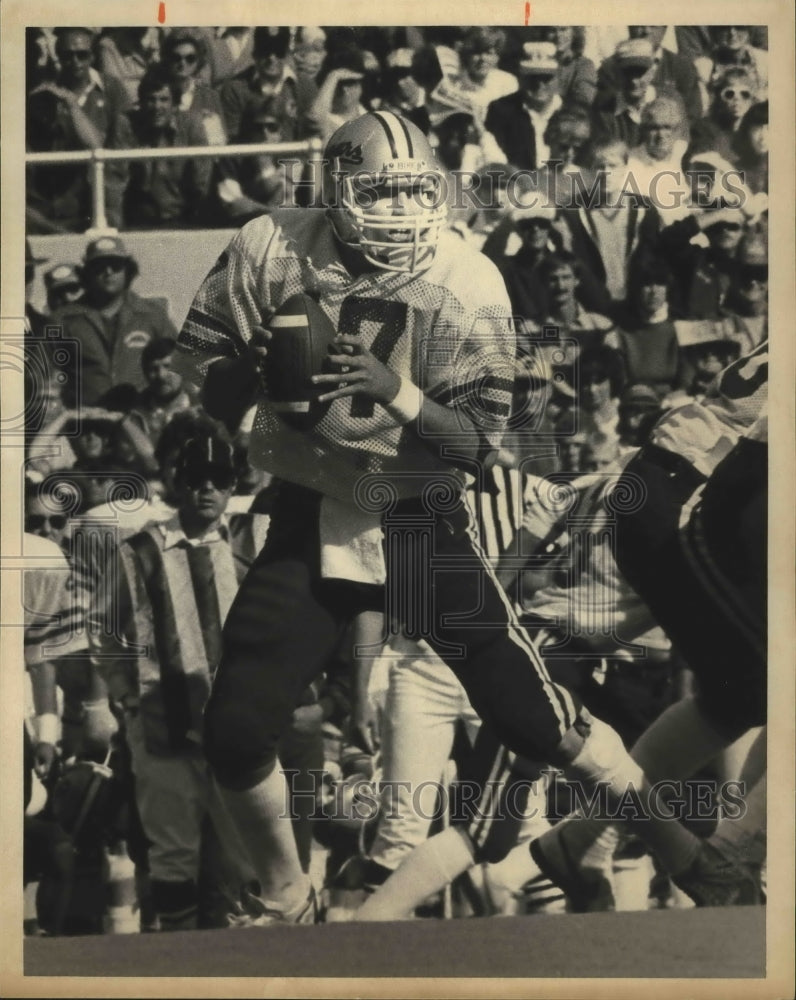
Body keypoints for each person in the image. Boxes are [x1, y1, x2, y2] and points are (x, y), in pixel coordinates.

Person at [174, 110, 746, 926]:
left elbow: (476, 448)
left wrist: (390, 388)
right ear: (335, 187)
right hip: (312, 505)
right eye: (379, 191)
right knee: (234, 729)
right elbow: (209, 384)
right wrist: (262, 371)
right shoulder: (271, 244)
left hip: (417, 513)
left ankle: (690, 859)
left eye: (413, 190)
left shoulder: (468, 274)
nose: (400, 210)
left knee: (533, 717)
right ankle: (285, 893)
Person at [87, 433, 264, 930]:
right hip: (162, 724)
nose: (207, 490)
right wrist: (124, 694)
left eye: (219, 481)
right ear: (176, 484)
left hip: (233, 726)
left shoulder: (246, 550)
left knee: (245, 853)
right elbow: (102, 628)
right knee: (173, 853)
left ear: (232, 488)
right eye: (196, 480)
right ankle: (176, 962)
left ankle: (244, 965)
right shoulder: (139, 551)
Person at [52, 235, 177, 405]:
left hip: (140, 420)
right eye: (99, 266)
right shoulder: (63, 319)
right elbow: (45, 377)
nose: (108, 271)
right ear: (87, 273)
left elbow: (181, 367)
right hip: (86, 422)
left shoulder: (153, 316)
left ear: (128, 270)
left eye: (116, 265)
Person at [109, 65, 213, 229]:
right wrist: (118, 233)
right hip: (137, 223)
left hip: (182, 221)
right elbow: (114, 185)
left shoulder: (192, 125)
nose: (157, 107)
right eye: (151, 99)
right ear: (142, 103)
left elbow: (202, 183)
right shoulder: (126, 125)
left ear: (175, 104)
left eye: (164, 99)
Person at [595, 27, 702, 125]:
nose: (646, 31)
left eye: (653, 25)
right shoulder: (609, 68)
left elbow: (692, 118)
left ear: (664, 29)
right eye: (640, 25)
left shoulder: (683, 67)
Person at [482, 42, 562, 170]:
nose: (539, 85)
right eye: (532, 77)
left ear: (559, 79)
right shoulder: (501, 110)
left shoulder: (569, 112)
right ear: (521, 78)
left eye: (546, 78)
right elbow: (494, 161)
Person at [218, 27, 300, 143]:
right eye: (265, 50)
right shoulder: (235, 89)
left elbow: (313, 135)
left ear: (287, 54)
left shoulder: (302, 86)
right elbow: (232, 144)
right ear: (255, 53)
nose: (272, 58)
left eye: (278, 51)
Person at [161, 30, 227, 145]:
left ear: (198, 62)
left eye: (190, 58)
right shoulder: (158, 95)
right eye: (176, 58)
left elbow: (220, 142)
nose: (182, 63)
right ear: (167, 59)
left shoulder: (210, 96)